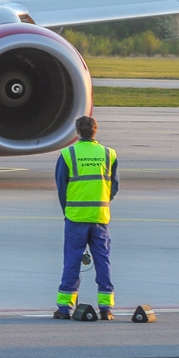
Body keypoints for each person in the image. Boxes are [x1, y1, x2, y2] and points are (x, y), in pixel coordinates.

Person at [54, 115, 119, 320]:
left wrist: (68, 210)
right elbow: (113, 186)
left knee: (72, 262)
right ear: (95, 130)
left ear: (77, 131)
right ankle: (106, 308)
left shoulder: (68, 154)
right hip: (100, 216)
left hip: (76, 217)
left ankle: (65, 309)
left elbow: (61, 187)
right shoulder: (109, 154)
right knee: (103, 261)